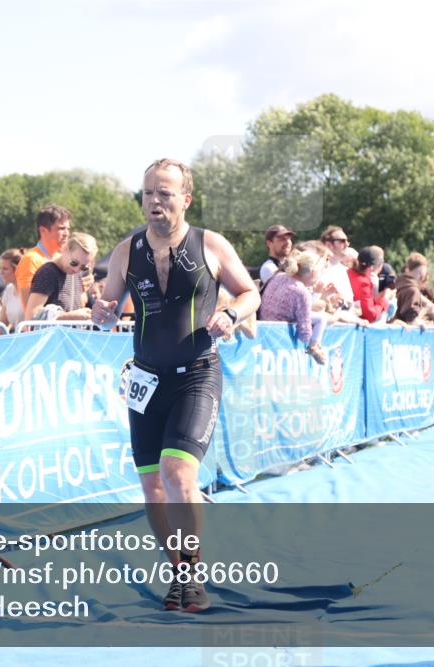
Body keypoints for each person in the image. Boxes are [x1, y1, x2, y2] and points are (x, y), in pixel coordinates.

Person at [90, 158, 259, 613]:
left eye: (165, 193)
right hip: (146, 381)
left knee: (178, 473)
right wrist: (102, 312)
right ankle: (180, 574)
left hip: (197, 373)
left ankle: (192, 574)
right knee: (152, 487)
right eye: (148, 193)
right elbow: (107, 304)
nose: (155, 202)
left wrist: (231, 314)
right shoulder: (128, 250)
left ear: (185, 199)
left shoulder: (211, 244)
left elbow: (250, 292)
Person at [258, 250, 329, 364]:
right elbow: (304, 335)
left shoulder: (278, 276)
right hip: (278, 339)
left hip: (263, 328)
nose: (320, 276)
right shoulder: (301, 291)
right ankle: (314, 347)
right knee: (322, 318)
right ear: (312, 272)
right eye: (320, 271)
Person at [23, 234, 98, 322]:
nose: (77, 269)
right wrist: (69, 317)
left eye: (83, 267)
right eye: (74, 263)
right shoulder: (48, 273)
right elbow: (31, 316)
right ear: (65, 248)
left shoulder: (76, 274)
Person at [14, 205, 74, 311]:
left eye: (68, 229)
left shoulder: (62, 258)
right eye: (61, 228)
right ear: (43, 230)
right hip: (42, 326)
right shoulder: (31, 260)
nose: (67, 234)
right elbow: (28, 308)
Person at [393, 252, 434, 327]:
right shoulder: (412, 290)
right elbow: (411, 321)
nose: (423, 277)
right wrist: (426, 310)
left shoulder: (396, 284)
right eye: (422, 274)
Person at [347, 246, 392, 324]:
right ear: (372, 267)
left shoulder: (347, 272)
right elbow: (371, 315)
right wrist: (385, 299)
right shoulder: (364, 283)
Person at [0, 249, 24, 332]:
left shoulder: (32, 290)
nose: (1, 272)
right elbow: (1, 325)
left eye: (5, 269)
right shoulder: (8, 290)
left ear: (17, 269)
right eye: (1, 268)